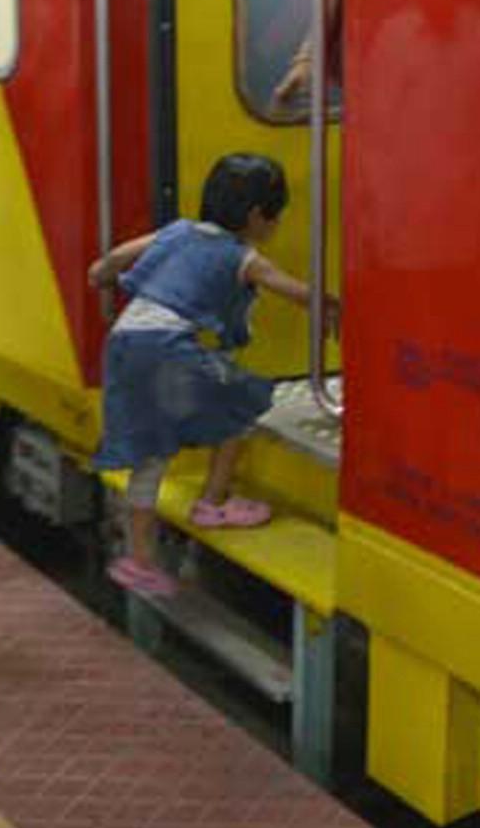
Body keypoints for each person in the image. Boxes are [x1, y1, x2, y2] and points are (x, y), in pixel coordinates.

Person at [89, 153, 340, 598]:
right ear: (257, 216)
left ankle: (139, 560)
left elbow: (107, 264)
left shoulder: (177, 230)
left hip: (125, 343)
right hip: (167, 349)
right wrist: (334, 305)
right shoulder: (241, 256)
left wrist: (102, 278)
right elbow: (295, 291)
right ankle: (213, 503)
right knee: (244, 404)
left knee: (151, 453)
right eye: (275, 216)